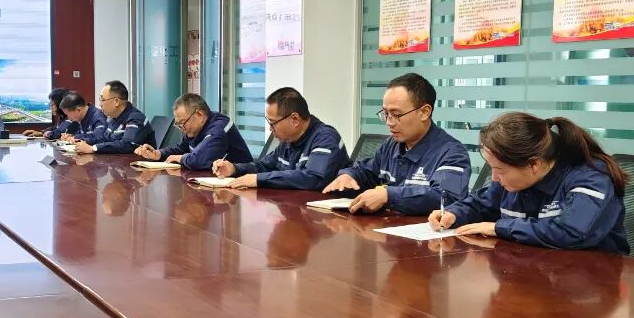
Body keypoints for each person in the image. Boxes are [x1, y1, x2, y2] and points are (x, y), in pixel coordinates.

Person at [429, 112, 629, 254]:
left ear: (534, 164)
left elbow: (571, 232)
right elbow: (482, 204)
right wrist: (454, 214)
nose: (494, 178)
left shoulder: (592, 177)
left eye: (500, 170)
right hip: (532, 271)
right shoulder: (513, 181)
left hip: (591, 282)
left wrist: (499, 228)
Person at [324, 73, 470, 214]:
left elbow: (445, 197)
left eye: (396, 114)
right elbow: (368, 171)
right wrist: (349, 175)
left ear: (424, 112)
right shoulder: (391, 145)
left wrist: (388, 196)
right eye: (386, 113)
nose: (389, 122)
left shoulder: (451, 152)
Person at [212, 87, 349, 190]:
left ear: (294, 119)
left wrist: (258, 179)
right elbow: (264, 166)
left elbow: (312, 178)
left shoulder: (325, 138)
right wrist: (234, 168)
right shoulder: (289, 140)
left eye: (272, 123)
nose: (270, 128)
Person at [134, 93, 252, 170]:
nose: (182, 128)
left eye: (183, 123)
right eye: (178, 125)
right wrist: (158, 154)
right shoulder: (195, 129)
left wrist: (180, 158)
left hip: (240, 187)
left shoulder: (219, 127)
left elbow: (199, 159)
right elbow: (182, 148)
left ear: (199, 114)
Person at [74, 80, 153, 154]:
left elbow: (128, 144)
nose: (100, 104)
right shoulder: (114, 117)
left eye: (102, 100)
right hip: (119, 161)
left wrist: (93, 148)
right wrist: (85, 141)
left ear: (116, 101)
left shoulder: (135, 118)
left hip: (138, 162)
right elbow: (105, 139)